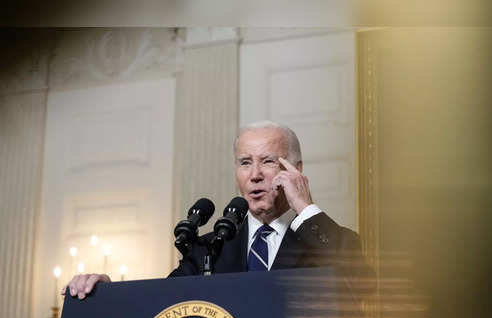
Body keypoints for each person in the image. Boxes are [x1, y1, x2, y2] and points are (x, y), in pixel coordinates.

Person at [64, 121, 363, 298]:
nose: (254, 174)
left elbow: (361, 281)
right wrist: (106, 292)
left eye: (268, 161)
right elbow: (159, 302)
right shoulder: (210, 249)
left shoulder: (326, 240)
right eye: (245, 162)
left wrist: (303, 206)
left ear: (295, 170)